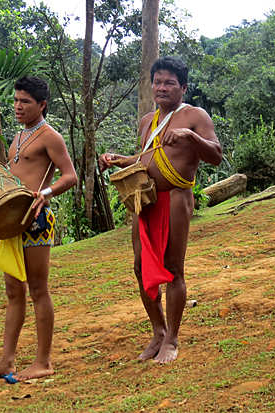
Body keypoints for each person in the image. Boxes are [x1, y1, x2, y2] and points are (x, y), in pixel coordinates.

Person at [99, 56, 222, 364]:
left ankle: (172, 339)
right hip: (146, 202)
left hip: (176, 198)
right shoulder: (147, 122)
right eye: (157, 82)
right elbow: (143, 160)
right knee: (141, 268)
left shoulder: (195, 116)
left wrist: (190, 137)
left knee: (173, 269)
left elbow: (217, 156)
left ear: (183, 87)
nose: (162, 87)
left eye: (170, 82)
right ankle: (157, 330)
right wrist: (118, 158)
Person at [0, 76, 77, 381]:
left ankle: (43, 361)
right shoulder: (19, 137)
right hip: (13, 222)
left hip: (36, 222)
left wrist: (45, 193)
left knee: (37, 290)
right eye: (16, 100)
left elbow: (70, 176)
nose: (18, 106)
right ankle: (7, 360)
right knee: (13, 292)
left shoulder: (50, 136)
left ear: (42, 105)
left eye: (25, 102)